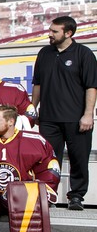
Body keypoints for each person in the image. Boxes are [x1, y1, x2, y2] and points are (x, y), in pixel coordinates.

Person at [32, 16, 97, 210]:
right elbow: (38, 84)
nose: (49, 34)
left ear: (68, 33)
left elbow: (91, 87)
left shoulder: (83, 54)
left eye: (54, 31)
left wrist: (88, 115)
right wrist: (31, 109)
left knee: (79, 159)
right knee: (48, 161)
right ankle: (48, 196)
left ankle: (76, 196)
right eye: (50, 30)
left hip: (76, 119)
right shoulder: (44, 53)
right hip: (49, 119)